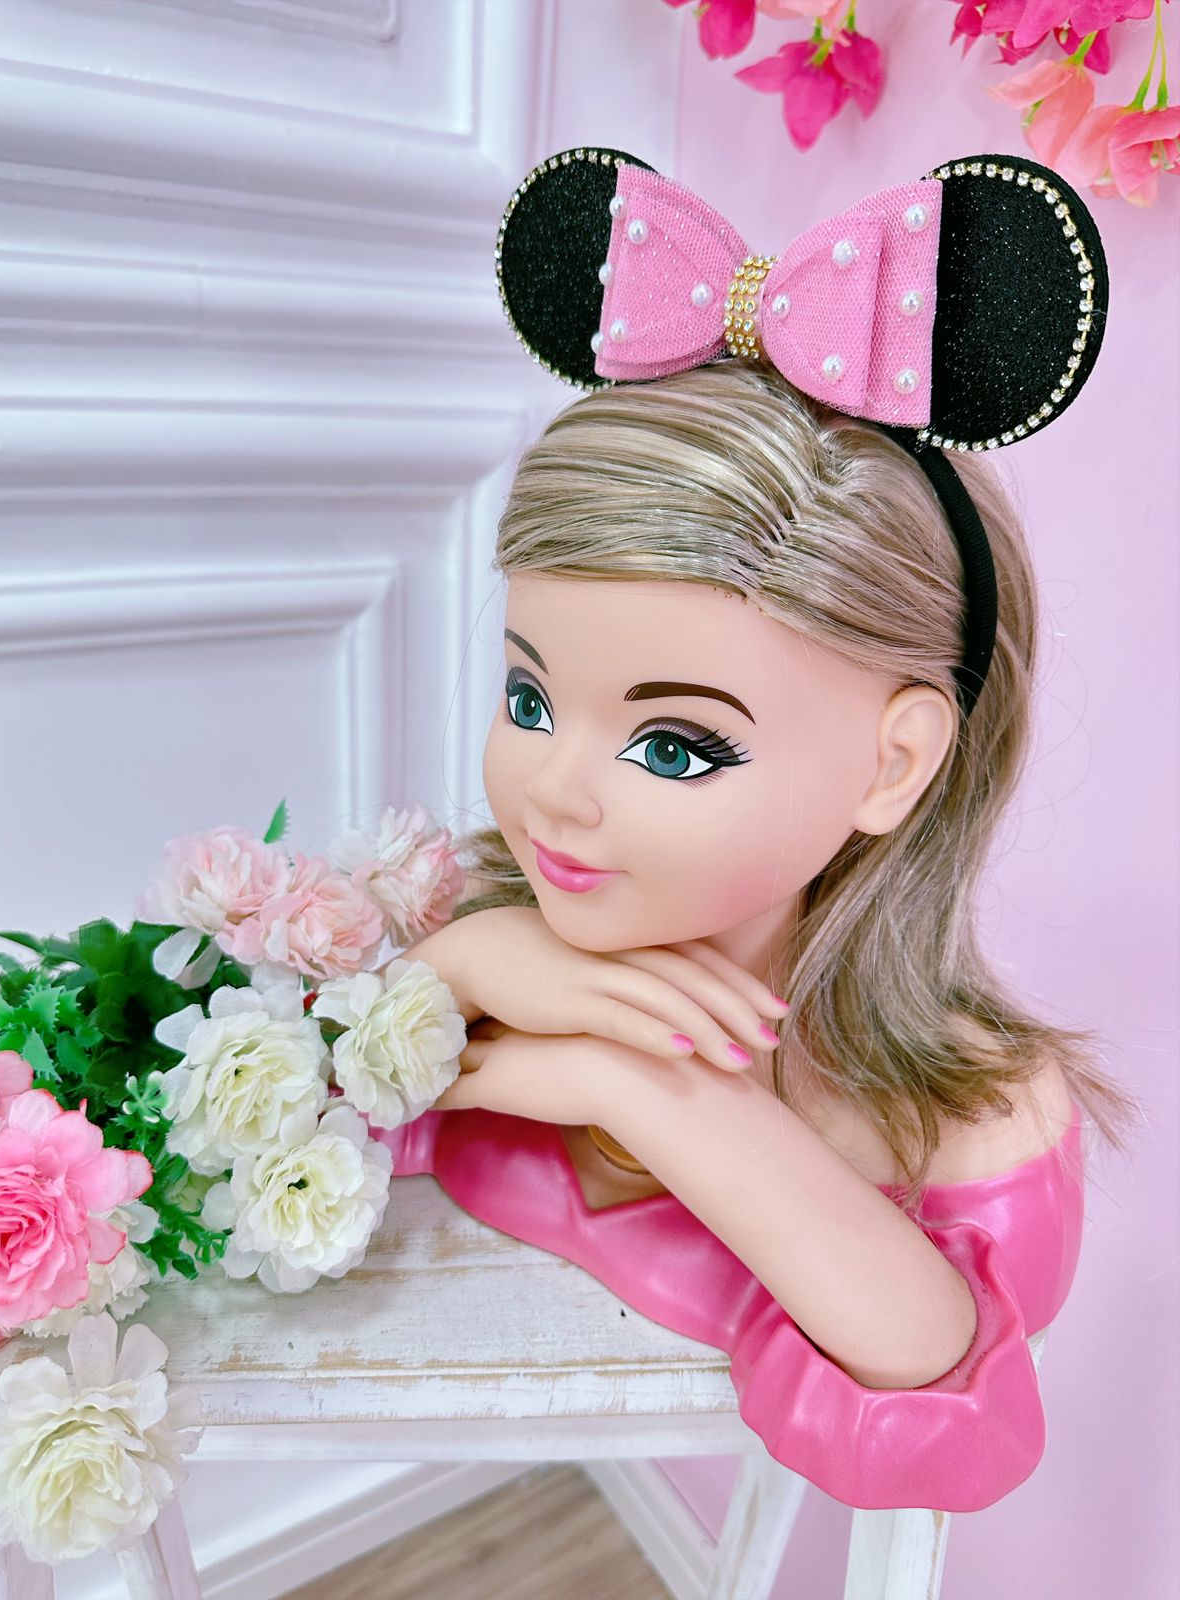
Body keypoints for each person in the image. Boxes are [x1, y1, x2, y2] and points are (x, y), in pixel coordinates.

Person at [367, 154, 1140, 1511]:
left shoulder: (970, 1117)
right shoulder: (468, 938)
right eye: (530, 699)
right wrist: (467, 965)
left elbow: (950, 1406)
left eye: (675, 747)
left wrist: (645, 1089)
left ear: (893, 765)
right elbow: (237, 1131)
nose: (556, 794)